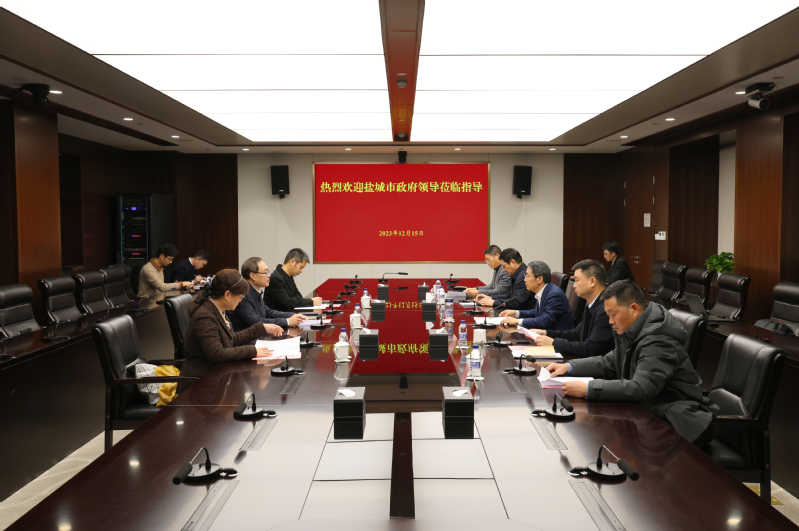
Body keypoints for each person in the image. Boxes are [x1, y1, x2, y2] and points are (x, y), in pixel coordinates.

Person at [545, 280, 718, 446]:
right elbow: (609, 361)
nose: (610, 321)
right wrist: (569, 367)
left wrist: (588, 388)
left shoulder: (658, 340)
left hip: (677, 423)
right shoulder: (634, 329)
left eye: (613, 314)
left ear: (634, 309)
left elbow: (641, 388)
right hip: (649, 413)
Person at [178, 269, 284, 392]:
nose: (241, 300)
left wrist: (261, 328)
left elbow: (231, 339)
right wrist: (252, 351)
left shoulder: (218, 310)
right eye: (241, 296)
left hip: (216, 377)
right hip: (199, 385)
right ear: (227, 295)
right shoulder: (205, 316)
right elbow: (216, 354)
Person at [529, 259, 614, 358]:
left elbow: (591, 348)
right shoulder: (593, 304)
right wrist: (546, 333)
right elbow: (575, 334)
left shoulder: (605, 309)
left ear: (592, 281)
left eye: (577, 281)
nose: (574, 286)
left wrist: (553, 343)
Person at [228, 257, 307, 332]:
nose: (269, 275)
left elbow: (267, 312)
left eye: (268, 272)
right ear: (252, 276)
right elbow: (255, 322)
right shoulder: (243, 295)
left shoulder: (254, 291)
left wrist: (292, 315)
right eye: (265, 272)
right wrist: (287, 321)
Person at [498, 261, 573, 331]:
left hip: (556, 337)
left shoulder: (554, 295)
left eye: (528, 276)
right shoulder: (544, 290)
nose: (525, 279)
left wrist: (517, 321)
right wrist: (516, 313)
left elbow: (545, 321)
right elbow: (536, 312)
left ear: (540, 279)